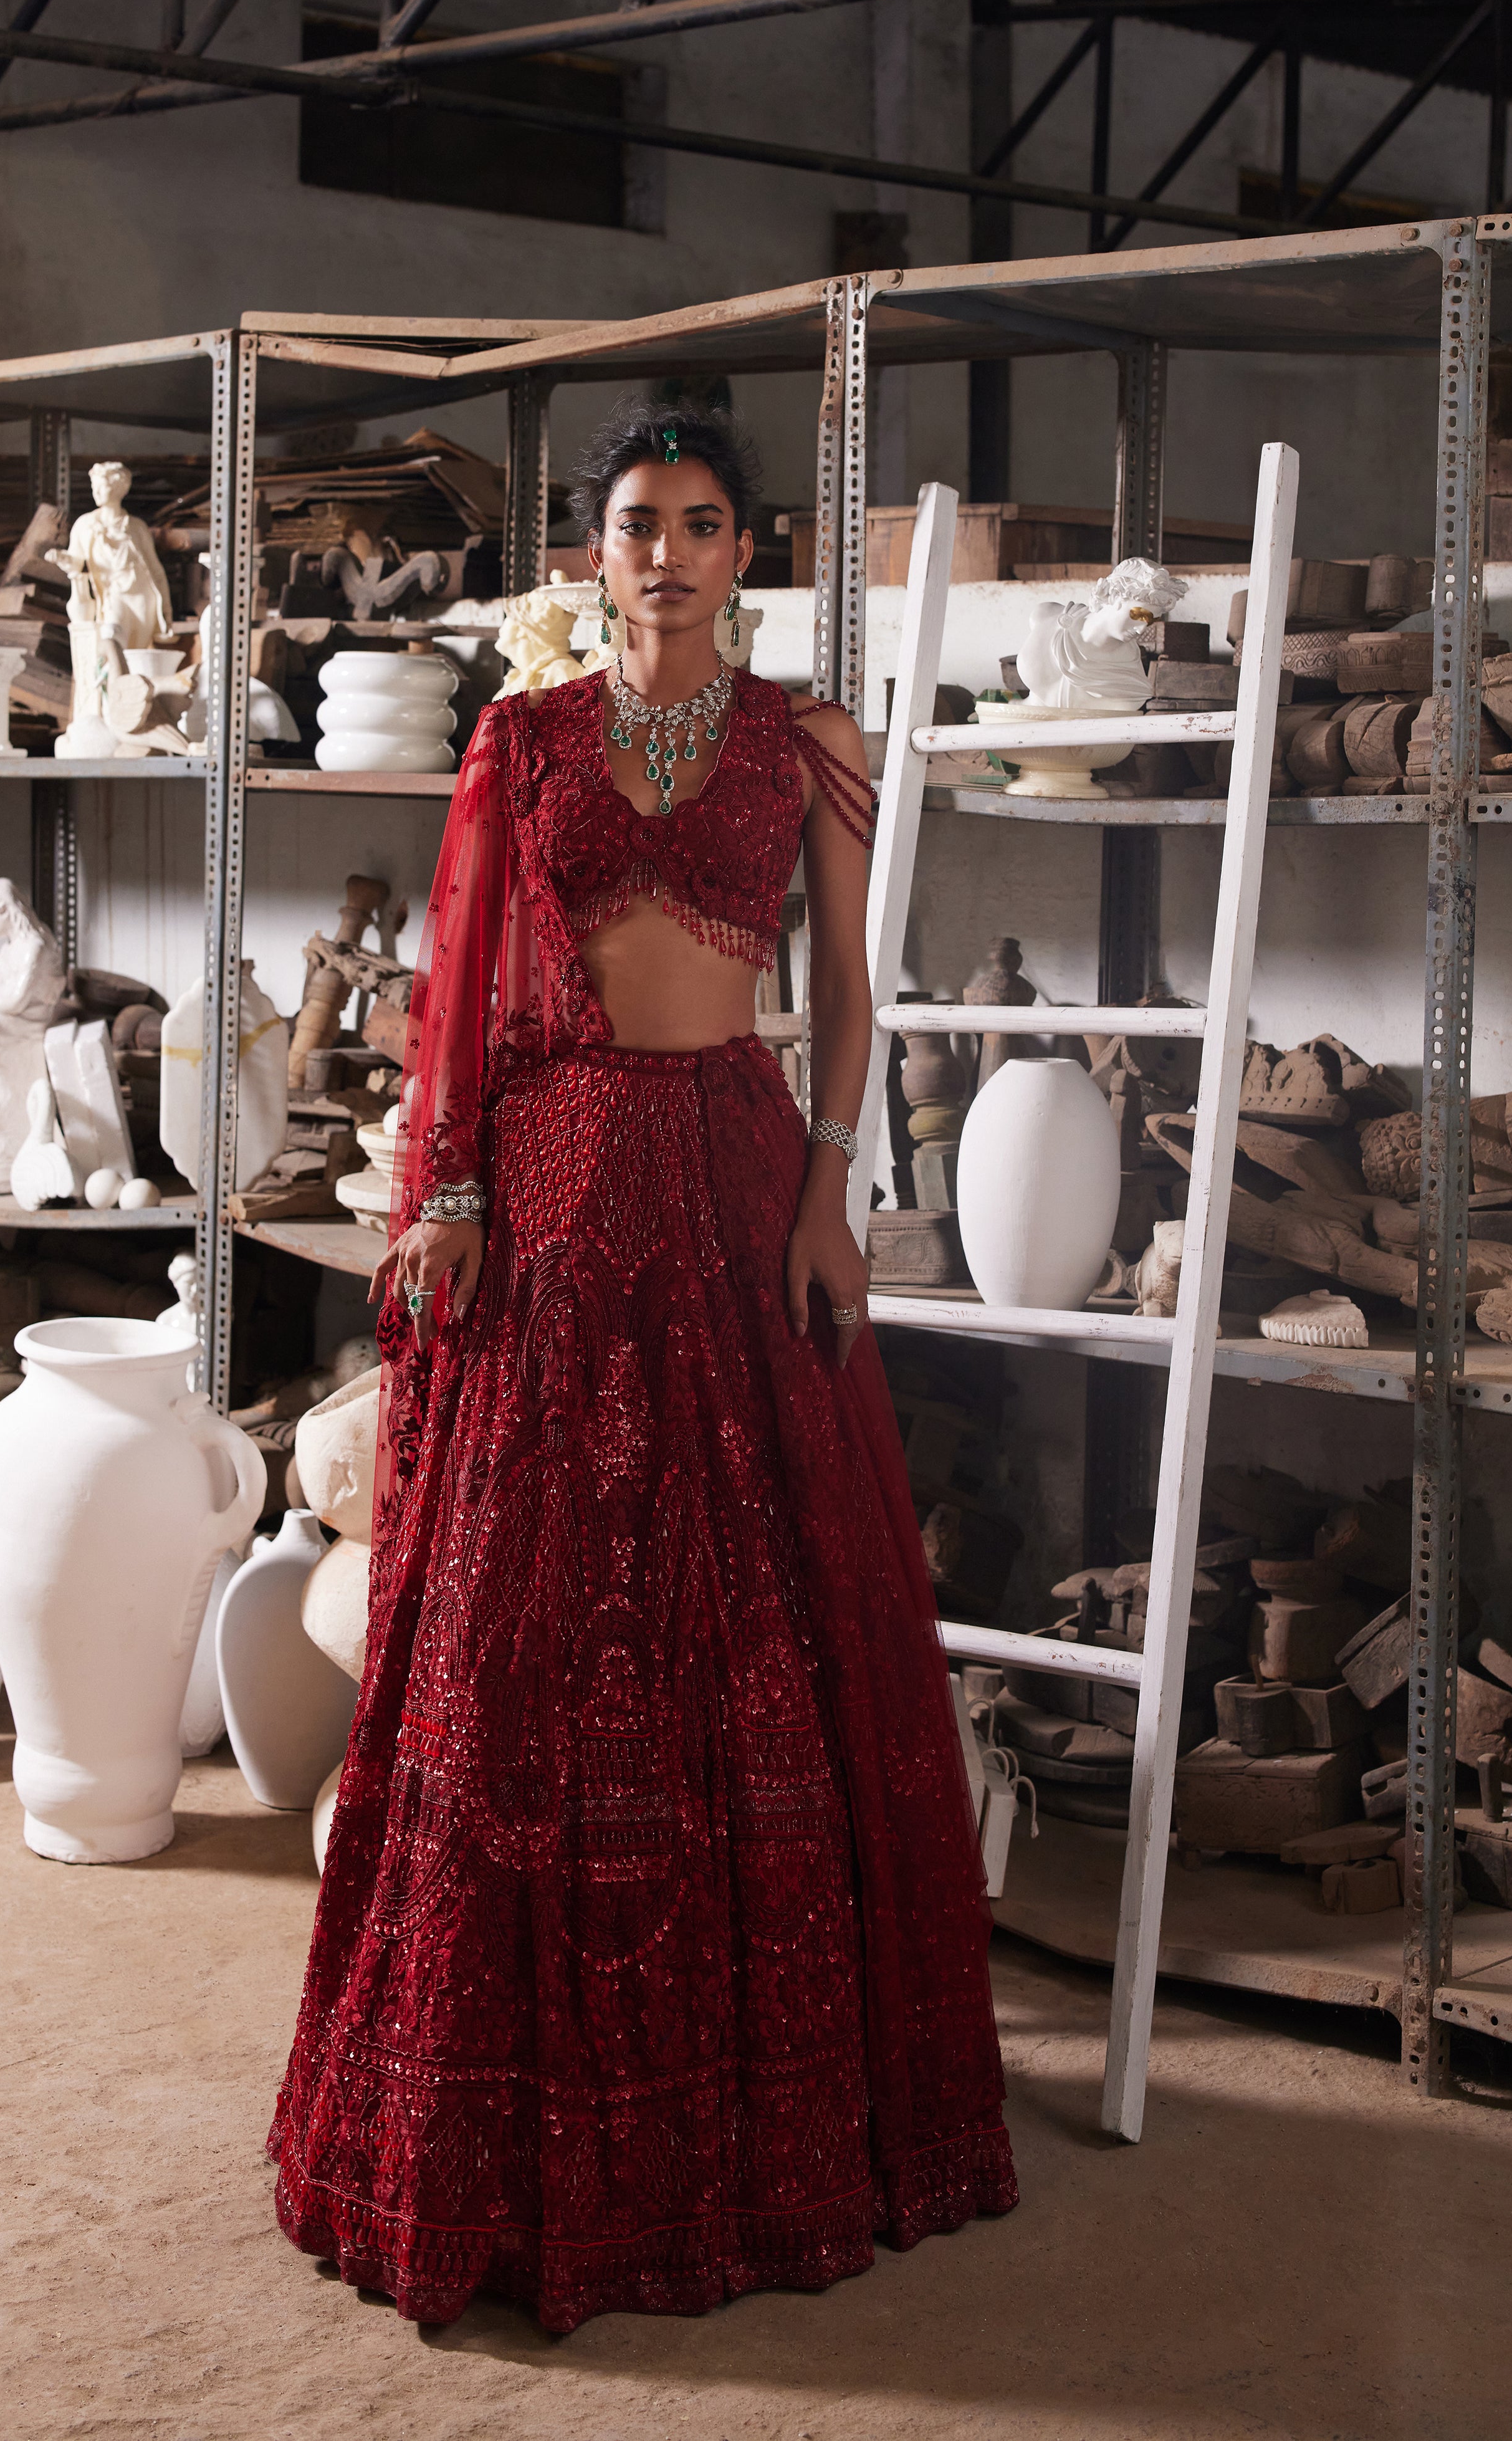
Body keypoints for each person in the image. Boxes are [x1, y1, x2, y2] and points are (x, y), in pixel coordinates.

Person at [268, 398, 1016, 2333]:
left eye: (699, 522)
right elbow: (456, 992)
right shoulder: (519, 742)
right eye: (634, 521)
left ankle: (786, 2118)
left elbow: (851, 993)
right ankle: (495, 2139)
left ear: (743, 550)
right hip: (557, 1196)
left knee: (762, 1620)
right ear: (592, 549)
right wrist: (443, 1185)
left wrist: (837, 1192)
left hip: (746, 1175)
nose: (666, 551)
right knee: (529, 1627)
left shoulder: (809, 743)